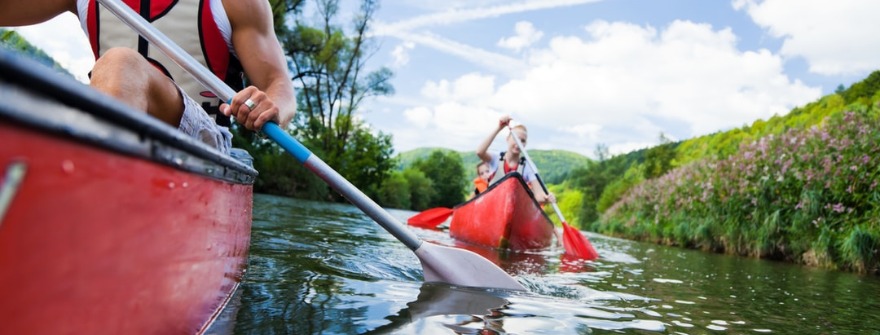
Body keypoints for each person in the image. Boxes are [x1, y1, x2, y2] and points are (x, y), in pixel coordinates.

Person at [1, 0, 296, 155]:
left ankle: (86, 191)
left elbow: (280, 86)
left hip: (202, 141)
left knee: (120, 64)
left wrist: (270, 105)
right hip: (103, 122)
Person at [475, 115, 555, 204]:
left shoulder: (528, 166)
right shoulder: (496, 158)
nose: (519, 143)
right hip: (492, 204)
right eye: (516, 138)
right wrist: (499, 127)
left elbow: (539, 195)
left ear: (525, 144)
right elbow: (480, 152)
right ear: (507, 139)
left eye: (523, 141)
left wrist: (547, 198)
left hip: (514, 205)